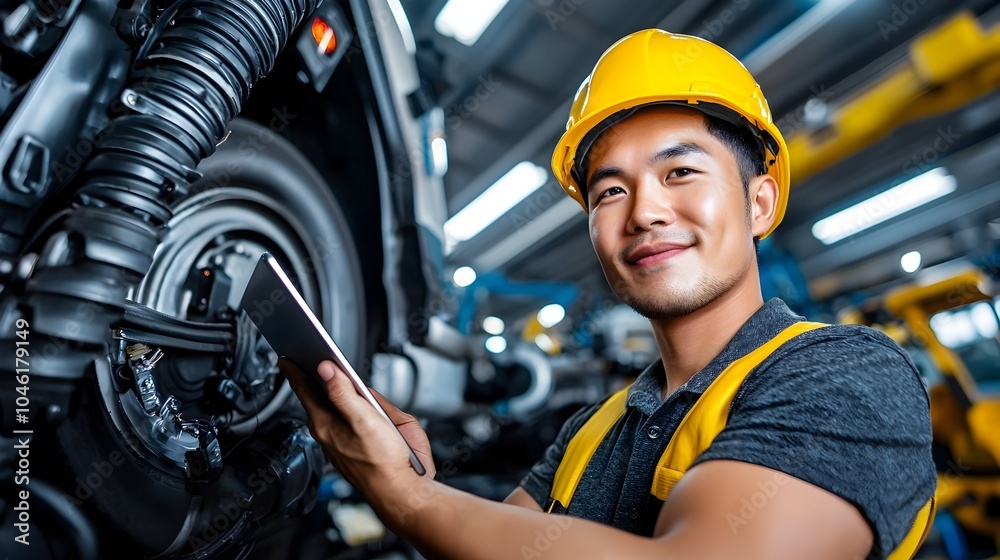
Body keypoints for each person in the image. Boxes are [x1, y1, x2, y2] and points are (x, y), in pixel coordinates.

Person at [279, 29, 937, 559]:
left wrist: (403, 497)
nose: (644, 212)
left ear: (759, 203)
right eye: (610, 192)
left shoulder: (848, 374)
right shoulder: (590, 431)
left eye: (680, 172)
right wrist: (412, 476)